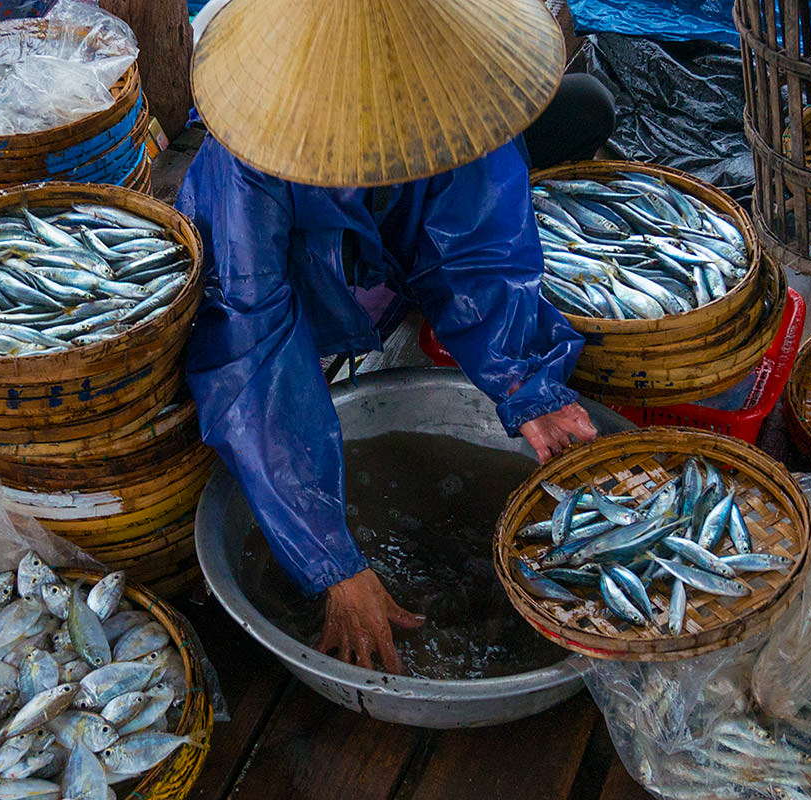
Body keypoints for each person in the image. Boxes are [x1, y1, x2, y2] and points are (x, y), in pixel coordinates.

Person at [179, 0, 614, 673]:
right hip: (310, 288)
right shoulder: (244, 165)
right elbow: (251, 351)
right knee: (269, 392)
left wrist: (524, 377)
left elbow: (481, 252)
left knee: (586, 105)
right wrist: (332, 563)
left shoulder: (454, 95)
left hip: (381, 266)